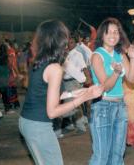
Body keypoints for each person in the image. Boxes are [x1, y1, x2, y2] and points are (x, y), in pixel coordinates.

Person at [19, 20, 103, 165]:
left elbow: (46, 94)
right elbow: (52, 112)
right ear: (59, 40)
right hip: (39, 126)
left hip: (27, 122)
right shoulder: (55, 68)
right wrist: (85, 98)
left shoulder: (39, 62)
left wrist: (76, 93)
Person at [89, 17, 134, 165]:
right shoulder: (97, 56)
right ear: (102, 35)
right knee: (101, 156)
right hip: (103, 107)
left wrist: (133, 58)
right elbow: (106, 87)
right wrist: (116, 73)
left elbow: (131, 79)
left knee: (118, 154)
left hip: (120, 107)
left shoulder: (121, 55)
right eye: (109, 32)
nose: (113, 35)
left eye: (116, 32)